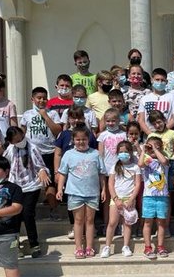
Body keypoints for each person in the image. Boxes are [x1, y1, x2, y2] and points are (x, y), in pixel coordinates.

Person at [56, 124, 107, 259]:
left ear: (88, 139)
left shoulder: (95, 154)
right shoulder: (68, 154)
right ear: (73, 140)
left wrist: (103, 189)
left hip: (92, 193)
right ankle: (78, 248)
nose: (81, 142)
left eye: (84, 139)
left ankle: (89, 247)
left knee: (90, 220)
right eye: (78, 139)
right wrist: (60, 188)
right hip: (75, 192)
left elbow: (101, 173)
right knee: (78, 220)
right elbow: (63, 173)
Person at [4, 126, 50, 258]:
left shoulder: (32, 147)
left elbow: (40, 164)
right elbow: (4, 163)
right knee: (14, 216)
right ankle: (14, 245)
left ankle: (34, 244)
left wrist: (43, 171)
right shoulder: (10, 149)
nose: (20, 141)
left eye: (21, 138)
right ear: (11, 141)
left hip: (31, 186)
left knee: (27, 214)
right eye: (17, 140)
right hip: (15, 186)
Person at [54, 109, 100, 238]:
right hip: (69, 171)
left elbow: (94, 153)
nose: (76, 120)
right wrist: (57, 171)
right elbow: (58, 153)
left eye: (79, 117)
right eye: (73, 118)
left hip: (86, 171)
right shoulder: (64, 134)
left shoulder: (89, 134)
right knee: (73, 201)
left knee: (89, 207)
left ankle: (90, 228)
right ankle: (74, 226)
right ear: (68, 119)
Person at [20, 87, 63, 219]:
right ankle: (29, 212)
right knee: (32, 182)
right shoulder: (27, 114)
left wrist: (45, 116)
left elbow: (57, 131)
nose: (42, 100)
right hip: (32, 153)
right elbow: (22, 132)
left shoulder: (53, 113)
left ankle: (53, 210)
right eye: (39, 98)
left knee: (49, 182)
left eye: (44, 98)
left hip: (49, 152)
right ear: (32, 99)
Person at [101, 140, 141, 258]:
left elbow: (137, 184)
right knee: (112, 222)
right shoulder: (114, 167)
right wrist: (115, 198)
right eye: (121, 152)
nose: (123, 154)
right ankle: (107, 246)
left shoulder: (135, 167)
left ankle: (126, 246)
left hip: (129, 199)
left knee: (127, 223)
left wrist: (132, 199)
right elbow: (110, 184)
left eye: (126, 151)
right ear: (117, 153)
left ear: (131, 152)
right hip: (116, 199)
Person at [139, 134, 170, 259]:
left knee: (161, 222)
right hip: (148, 196)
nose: (152, 149)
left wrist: (156, 149)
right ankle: (147, 247)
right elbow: (140, 164)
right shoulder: (147, 160)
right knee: (148, 222)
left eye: (156, 147)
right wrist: (144, 150)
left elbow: (164, 161)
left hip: (162, 196)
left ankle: (160, 246)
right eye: (150, 147)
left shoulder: (164, 160)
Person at [138, 68, 174, 134]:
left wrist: (162, 132)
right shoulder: (144, 99)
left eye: (162, 80)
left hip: (166, 135)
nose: (160, 82)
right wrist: (151, 134)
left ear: (166, 82)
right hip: (149, 136)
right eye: (157, 80)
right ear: (152, 80)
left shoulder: (173, 97)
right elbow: (141, 120)